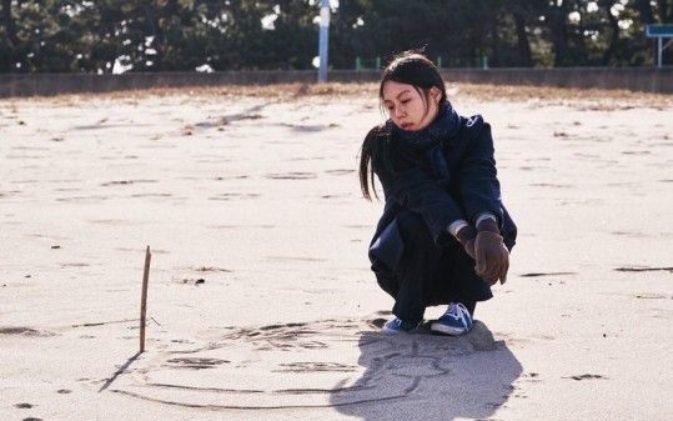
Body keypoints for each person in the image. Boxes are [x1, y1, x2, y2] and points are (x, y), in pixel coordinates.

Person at [359, 51, 517, 335]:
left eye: (405, 100)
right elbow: (422, 195)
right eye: (390, 105)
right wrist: (465, 235)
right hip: (405, 260)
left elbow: (479, 178)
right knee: (416, 219)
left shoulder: (474, 132)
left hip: (469, 263)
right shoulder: (385, 144)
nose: (398, 112)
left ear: (435, 94)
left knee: (492, 214)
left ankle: (462, 306)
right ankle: (408, 312)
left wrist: (486, 230)